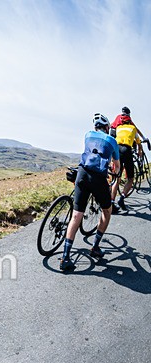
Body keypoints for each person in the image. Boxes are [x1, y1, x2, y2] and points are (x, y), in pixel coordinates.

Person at [59, 113, 120, 271]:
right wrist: (115, 172)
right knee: (107, 211)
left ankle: (65, 257)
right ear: (107, 128)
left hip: (82, 174)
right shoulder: (112, 140)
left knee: (76, 215)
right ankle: (95, 247)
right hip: (98, 178)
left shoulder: (87, 135)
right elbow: (117, 167)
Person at [110, 106, 147, 212]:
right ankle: (121, 198)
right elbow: (139, 143)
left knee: (117, 178)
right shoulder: (133, 128)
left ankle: (112, 202)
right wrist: (140, 152)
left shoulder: (119, 127)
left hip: (117, 149)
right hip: (127, 150)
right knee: (130, 178)